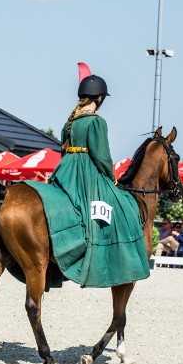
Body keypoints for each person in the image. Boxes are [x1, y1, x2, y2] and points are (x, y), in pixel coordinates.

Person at [48, 75, 149, 286]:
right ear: (100, 98)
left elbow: (63, 151)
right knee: (120, 206)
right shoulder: (96, 122)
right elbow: (101, 156)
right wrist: (111, 177)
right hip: (87, 172)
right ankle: (114, 258)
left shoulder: (69, 123)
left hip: (65, 170)